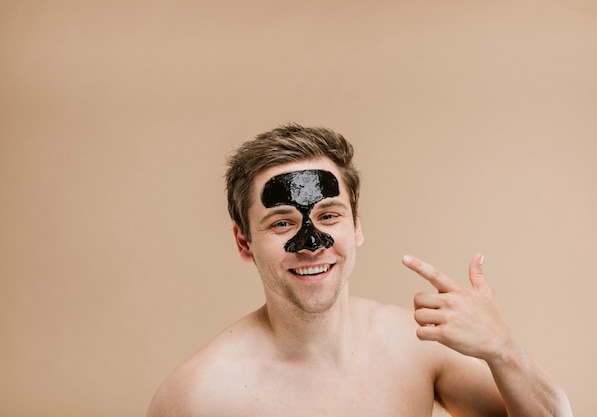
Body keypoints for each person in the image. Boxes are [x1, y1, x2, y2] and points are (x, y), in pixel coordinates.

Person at [146, 123, 572, 417]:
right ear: (244, 243)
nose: (312, 245)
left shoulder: (417, 345)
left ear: (357, 226)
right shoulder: (200, 394)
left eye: (329, 216)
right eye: (281, 223)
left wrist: (505, 351)